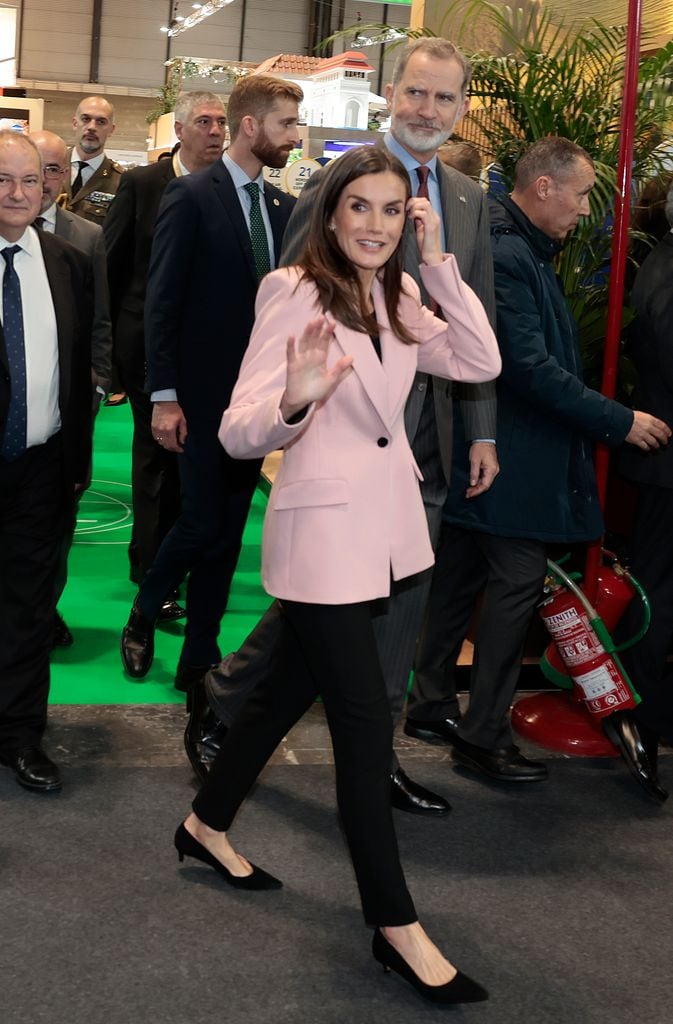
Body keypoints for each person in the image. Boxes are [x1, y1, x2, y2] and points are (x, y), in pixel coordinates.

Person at [175, 144, 499, 1005]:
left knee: (281, 691)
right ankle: (394, 924)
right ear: (329, 211)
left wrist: (438, 267)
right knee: (362, 721)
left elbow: (477, 363)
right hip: (320, 537)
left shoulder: (400, 292)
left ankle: (204, 823)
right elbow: (239, 430)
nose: (374, 225)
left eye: (392, 211)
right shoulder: (293, 291)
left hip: (380, 534)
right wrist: (294, 396)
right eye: (360, 207)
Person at [188, 38, 499, 815]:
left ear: (462, 108)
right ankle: (258, 721)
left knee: (385, 618)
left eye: (445, 99)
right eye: (417, 94)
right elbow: (301, 300)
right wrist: (295, 401)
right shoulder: (337, 179)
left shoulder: (464, 198)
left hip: (422, 445)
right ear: (393, 95)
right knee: (320, 625)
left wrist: (481, 432)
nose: (428, 110)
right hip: (334, 449)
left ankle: (356, 757)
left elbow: (475, 323)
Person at [405, 138, 671, 799]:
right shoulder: (508, 252)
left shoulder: (513, 245)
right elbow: (526, 368)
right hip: (511, 456)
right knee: (512, 592)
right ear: (544, 188)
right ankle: (483, 732)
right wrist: (617, 420)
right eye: (580, 195)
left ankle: (433, 701)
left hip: (491, 450)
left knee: (459, 581)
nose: (586, 211)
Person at [119, 75, 303, 693]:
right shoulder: (192, 195)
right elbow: (161, 302)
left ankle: (200, 653)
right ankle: (144, 611)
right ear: (250, 125)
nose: (294, 138)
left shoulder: (285, 209)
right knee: (200, 521)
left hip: (255, 402)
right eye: (285, 125)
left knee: (228, 530)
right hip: (196, 399)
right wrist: (164, 396)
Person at [104, 91, 226, 599]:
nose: (216, 131)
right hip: (144, 351)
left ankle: (178, 561)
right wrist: (108, 358)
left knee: (192, 461)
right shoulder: (141, 185)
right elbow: (111, 270)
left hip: (205, 355)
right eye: (204, 121)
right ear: (179, 130)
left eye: (222, 122)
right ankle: (151, 572)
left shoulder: (227, 191)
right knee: (156, 457)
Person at [0, 131, 93, 792]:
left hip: (42, 467)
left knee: (31, 608)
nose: (16, 194)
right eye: (2, 180)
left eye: (29, 181)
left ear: (47, 187)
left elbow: (79, 364)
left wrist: (76, 461)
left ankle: (19, 733)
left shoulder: (67, 262)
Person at [30, 129, 113, 648]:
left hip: (69, 409)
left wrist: (99, 386)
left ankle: (46, 606)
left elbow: (102, 319)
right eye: (29, 169)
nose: (37, 183)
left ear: (64, 177)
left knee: (60, 515)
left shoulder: (86, 237)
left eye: (50, 170)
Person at [617, 181, 673, 772]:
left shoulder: (660, 256)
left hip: (661, 463)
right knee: (657, 597)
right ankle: (640, 715)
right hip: (665, 463)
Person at [66, 96, 123, 225]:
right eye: (86, 119)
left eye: (101, 122)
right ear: (75, 123)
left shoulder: (119, 182)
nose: (92, 127)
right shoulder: (50, 167)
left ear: (111, 130)